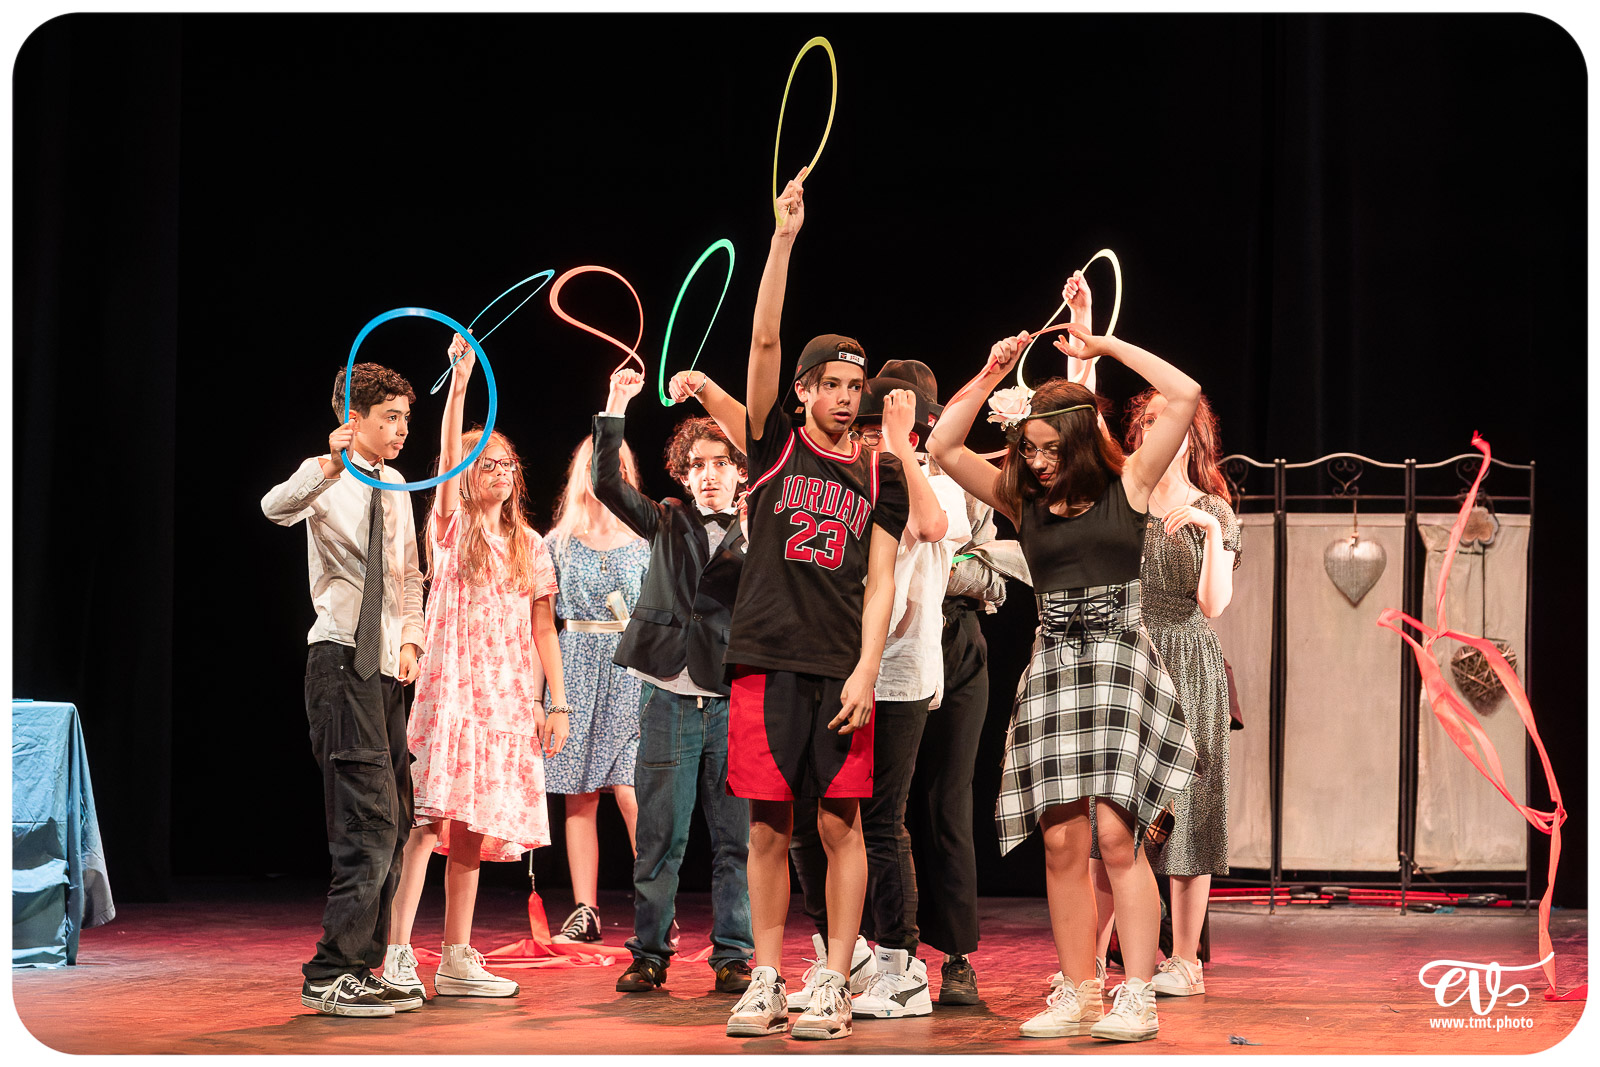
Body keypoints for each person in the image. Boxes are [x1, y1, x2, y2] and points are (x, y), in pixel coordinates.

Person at [926, 320, 1200, 1043]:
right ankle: (1081, 989)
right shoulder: (1024, 503)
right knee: (1060, 839)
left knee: (1117, 833)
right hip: (1053, 666)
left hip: (1117, 661)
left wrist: (1105, 350)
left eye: (1052, 449)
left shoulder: (1129, 485)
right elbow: (943, 446)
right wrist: (992, 372)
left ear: (1080, 442)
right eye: (1030, 449)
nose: (1039, 461)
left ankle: (1133, 991)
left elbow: (1185, 393)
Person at [714, 168, 909, 1041]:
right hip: (765, 652)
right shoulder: (772, 443)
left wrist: (869, 667)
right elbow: (760, 341)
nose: (844, 394)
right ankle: (764, 973)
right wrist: (783, 239)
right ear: (803, 391)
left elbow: (882, 581)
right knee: (765, 823)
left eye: (854, 384)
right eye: (830, 381)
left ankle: (832, 973)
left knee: (841, 825)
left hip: (839, 667)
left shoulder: (882, 475)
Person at [380, 334, 572, 1000]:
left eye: (504, 464)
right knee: (430, 823)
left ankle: (457, 956)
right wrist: (460, 383)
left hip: (507, 696)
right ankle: (399, 951)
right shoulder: (452, 527)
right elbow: (443, 457)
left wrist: (556, 702)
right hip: (454, 691)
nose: (496, 472)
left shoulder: (531, 543)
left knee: (472, 828)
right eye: (482, 463)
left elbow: (544, 626)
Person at [785, 371, 964, 1020]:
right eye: (858, 426)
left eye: (875, 426)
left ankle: (902, 963)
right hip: (835, 668)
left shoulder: (919, 479)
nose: (863, 437)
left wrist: (895, 445)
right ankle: (848, 954)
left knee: (880, 821)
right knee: (810, 819)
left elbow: (936, 522)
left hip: (897, 675)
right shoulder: (843, 477)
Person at [261, 362, 427, 1018]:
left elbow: (411, 573)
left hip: (386, 668)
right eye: (390, 417)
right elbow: (274, 507)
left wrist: (412, 639)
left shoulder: (397, 484)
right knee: (369, 821)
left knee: (400, 815)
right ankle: (330, 970)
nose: (401, 430)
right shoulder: (327, 476)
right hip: (338, 662)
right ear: (353, 419)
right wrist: (326, 466)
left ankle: (362, 964)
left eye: (406, 420)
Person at [592, 367, 756, 996]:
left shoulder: (760, 531)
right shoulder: (666, 520)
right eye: (698, 464)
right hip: (666, 695)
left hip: (731, 700)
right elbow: (607, 481)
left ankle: (734, 954)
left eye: (722, 461)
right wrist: (616, 403)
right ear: (683, 474)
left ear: (741, 471)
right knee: (659, 836)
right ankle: (650, 951)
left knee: (733, 840)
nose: (710, 472)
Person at [1086, 384, 1241, 997]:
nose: (1154, 428)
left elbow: (1214, 604)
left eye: (1164, 419)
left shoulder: (1214, 509)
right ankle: (1093, 961)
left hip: (1190, 659)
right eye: (1145, 420)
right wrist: (1087, 330)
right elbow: (1081, 409)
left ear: (1189, 434)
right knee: (1113, 812)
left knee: (1192, 810)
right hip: (1128, 655)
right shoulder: (1123, 493)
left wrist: (1207, 528)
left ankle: (1184, 961)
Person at [537, 432, 651, 945]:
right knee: (578, 795)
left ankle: (656, 904)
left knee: (632, 791)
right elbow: (541, 626)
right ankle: (586, 910)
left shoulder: (647, 540)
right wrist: (543, 700)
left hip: (633, 671)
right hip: (576, 667)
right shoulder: (556, 544)